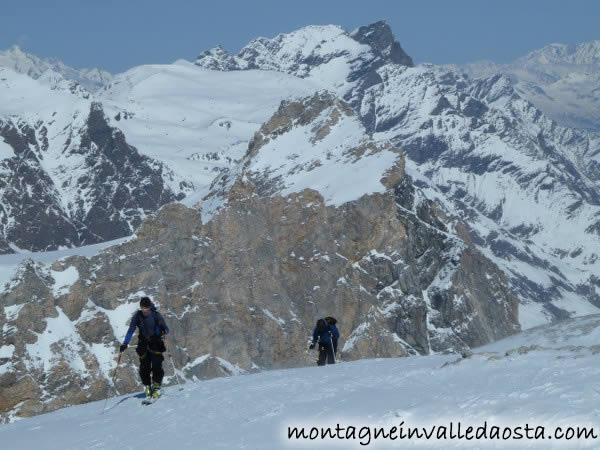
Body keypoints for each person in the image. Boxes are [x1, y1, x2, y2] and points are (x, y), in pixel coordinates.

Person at [119, 297, 169, 399]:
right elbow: (131, 330)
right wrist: (125, 343)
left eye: (146, 308)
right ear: (140, 307)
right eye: (143, 308)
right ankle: (147, 386)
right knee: (144, 366)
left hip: (156, 342)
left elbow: (166, 328)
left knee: (157, 364)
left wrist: (163, 330)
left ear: (150, 307)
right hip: (143, 343)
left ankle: (156, 386)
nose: (145, 310)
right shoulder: (137, 316)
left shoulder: (156, 315)